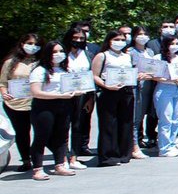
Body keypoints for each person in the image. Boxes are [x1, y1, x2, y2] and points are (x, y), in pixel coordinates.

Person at [28, 41, 81, 178]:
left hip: (64, 106)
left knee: (62, 136)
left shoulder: (66, 70)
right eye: (54, 52)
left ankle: (59, 164)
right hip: (44, 107)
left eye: (61, 51)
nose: (58, 55)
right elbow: (36, 92)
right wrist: (58, 95)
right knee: (42, 137)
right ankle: (38, 168)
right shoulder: (40, 70)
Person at [91, 30, 137, 166]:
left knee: (126, 123)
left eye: (122, 40)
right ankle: (108, 156)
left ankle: (124, 154)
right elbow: (94, 75)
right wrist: (106, 86)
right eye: (116, 40)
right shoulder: (102, 56)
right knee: (109, 123)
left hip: (126, 91)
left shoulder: (127, 56)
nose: (120, 43)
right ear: (109, 41)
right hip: (109, 92)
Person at [0, 33, 40, 173]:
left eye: (36, 44)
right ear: (22, 44)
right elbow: (3, 82)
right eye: (29, 43)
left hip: (38, 102)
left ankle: (38, 159)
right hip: (16, 104)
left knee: (42, 132)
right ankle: (26, 160)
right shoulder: (10, 63)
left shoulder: (41, 62)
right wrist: (4, 92)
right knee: (22, 133)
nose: (32, 47)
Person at [153, 35, 178, 157]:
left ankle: (172, 143)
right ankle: (164, 147)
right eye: (172, 44)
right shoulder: (159, 58)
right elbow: (154, 75)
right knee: (166, 119)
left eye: (177, 44)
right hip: (165, 88)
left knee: (176, 119)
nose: (175, 46)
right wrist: (169, 79)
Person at [64, 26, 93, 163]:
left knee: (77, 126)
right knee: (63, 127)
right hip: (63, 95)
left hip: (82, 95)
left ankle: (74, 157)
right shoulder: (62, 53)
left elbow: (91, 76)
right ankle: (62, 156)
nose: (78, 40)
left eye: (81, 38)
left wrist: (90, 99)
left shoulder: (86, 55)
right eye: (75, 38)